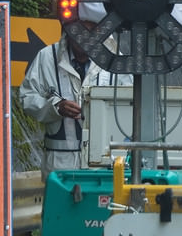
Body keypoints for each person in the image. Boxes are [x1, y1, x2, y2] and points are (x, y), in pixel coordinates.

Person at [20, 22, 123, 180]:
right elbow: (27, 97)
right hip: (60, 167)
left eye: (91, 31)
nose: (84, 36)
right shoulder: (47, 57)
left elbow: (132, 104)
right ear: (68, 32)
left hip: (106, 164)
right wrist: (56, 107)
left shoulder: (117, 59)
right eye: (79, 30)